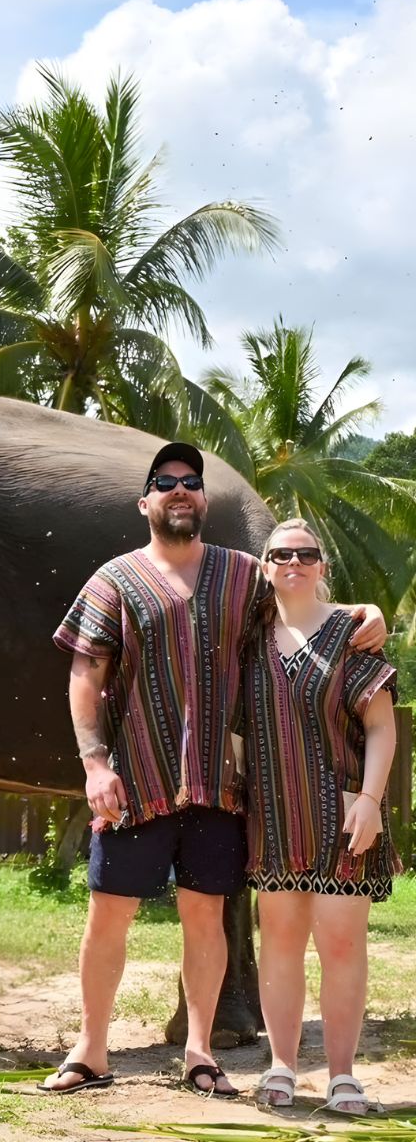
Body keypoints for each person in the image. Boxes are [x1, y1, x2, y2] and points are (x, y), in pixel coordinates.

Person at [39, 444, 386, 1096]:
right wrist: (93, 763)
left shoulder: (243, 573)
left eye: (190, 483)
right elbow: (85, 673)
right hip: (135, 781)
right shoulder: (114, 578)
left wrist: (364, 614)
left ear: (203, 501)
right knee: (107, 915)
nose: (179, 490)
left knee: (207, 919)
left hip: (221, 788)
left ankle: (200, 1052)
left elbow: (300, 597)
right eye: (164, 483)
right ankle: (90, 1051)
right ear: (145, 503)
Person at [245, 519, 400, 1115]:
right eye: (280, 553)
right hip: (274, 814)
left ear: (322, 565)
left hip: (344, 812)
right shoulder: (248, 635)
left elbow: (381, 725)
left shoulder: (353, 633)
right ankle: (282, 1067)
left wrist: (370, 799)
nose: (293, 562)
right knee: (279, 942)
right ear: (265, 566)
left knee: (341, 943)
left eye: (306, 553)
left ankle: (341, 1074)